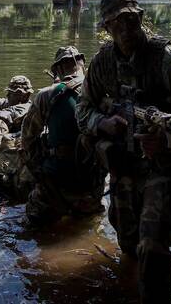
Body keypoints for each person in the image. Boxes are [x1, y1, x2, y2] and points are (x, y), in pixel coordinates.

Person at [76, 0, 171, 303]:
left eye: (130, 19)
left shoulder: (167, 61)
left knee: (151, 246)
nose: (125, 28)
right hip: (125, 164)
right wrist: (103, 123)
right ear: (107, 27)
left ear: (140, 18)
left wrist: (165, 140)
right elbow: (82, 109)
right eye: (116, 22)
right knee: (128, 245)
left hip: (163, 165)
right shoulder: (101, 64)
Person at [21, 46, 107, 226]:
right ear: (83, 64)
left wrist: (39, 171)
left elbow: (28, 139)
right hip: (92, 186)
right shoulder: (103, 92)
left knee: (32, 225)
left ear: (58, 69)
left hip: (55, 185)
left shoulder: (46, 95)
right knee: (90, 224)